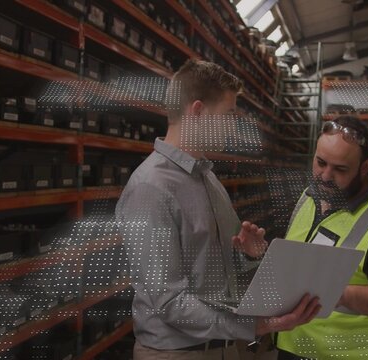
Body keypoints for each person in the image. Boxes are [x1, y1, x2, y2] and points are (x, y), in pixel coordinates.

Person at [115, 59, 320, 360]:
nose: (233, 126)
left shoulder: (207, 178)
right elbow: (169, 301)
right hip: (177, 354)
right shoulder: (150, 188)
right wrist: (256, 325)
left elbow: (209, 271)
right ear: (197, 111)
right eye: (228, 114)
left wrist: (245, 254)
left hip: (223, 346)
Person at [274, 115, 368, 359]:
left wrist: (338, 292)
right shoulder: (308, 197)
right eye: (320, 163)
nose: (325, 176)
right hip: (293, 344)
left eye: (340, 169)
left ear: (365, 167)